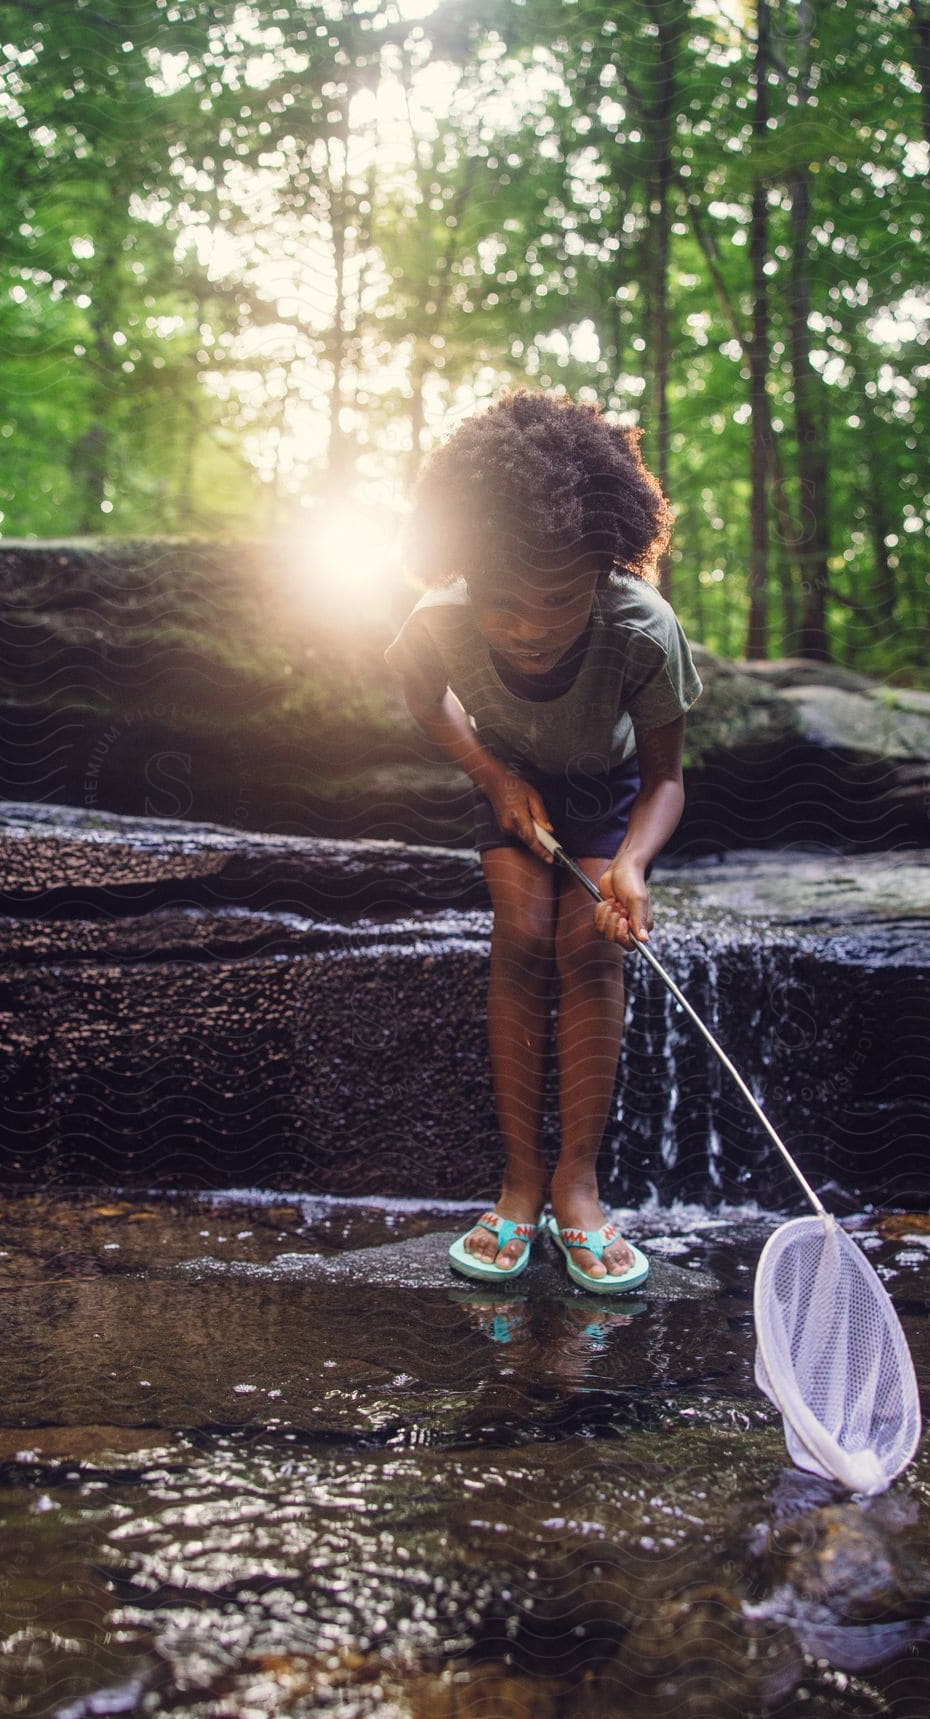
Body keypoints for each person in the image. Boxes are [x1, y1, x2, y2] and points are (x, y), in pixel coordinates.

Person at [385, 390, 703, 1293]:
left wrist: (631, 865)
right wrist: (492, 777)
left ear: (604, 567)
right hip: (510, 776)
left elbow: (667, 777)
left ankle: (577, 1185)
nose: (525, 630)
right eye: (502, 604)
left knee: (588, 945)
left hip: (606, 796)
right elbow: (422, 701)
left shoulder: (643, 627)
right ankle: (518, 1182)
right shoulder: (437, 619)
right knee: (522, 938)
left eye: (556, 602)